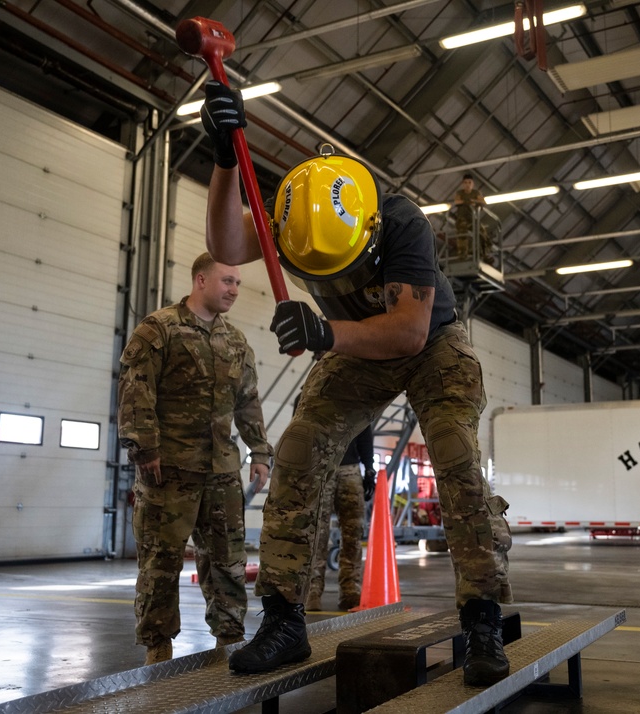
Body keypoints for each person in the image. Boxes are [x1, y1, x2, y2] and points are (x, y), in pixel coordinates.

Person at [200, 80, 513, 686]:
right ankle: (286, 619)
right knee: (299, 446)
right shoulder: (294, 217)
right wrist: (221, 161)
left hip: (427, 339)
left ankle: (481, 616)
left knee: (455, 453)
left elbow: (407, 335)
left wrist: (323, 334)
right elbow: (226, 243)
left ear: (367, 229)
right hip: (354, 343)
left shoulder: (401, 222)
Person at [117, 252, 273, 665]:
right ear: (200, 280)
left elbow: (248, 401)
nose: (234, 290)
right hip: (168, 471)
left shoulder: (235, 341)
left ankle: (230, 641)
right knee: (160, 563)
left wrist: (259, 450)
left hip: (221, 473)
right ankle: (158, 647)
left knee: (228, 562)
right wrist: (145, 448)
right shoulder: (159, 330)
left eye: (237, 283)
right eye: (227, 281)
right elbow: (136, 389)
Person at [304, 422, 376, 612]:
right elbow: (302, 433)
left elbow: (364, 431)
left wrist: (369, 467)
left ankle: (350, 592)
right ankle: (312, 592)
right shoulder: (305, 397)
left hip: (350, 469)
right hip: (320, 468)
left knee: (353, 532)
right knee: (316, 532)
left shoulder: (356, 395)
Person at [451, 173, 493, 261]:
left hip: (473, 219)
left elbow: (483, 202)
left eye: (469, 182)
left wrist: (468, 201)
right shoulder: (460, 192)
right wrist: (470, 201)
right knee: (462, 232)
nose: (467, 184)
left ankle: (485, 253)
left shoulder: (475, 192)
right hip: (462, 219)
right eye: (465, 183)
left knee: (483, 233)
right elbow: (457, 202)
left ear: (472, 184)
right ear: (463, 184)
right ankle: (462, 255)